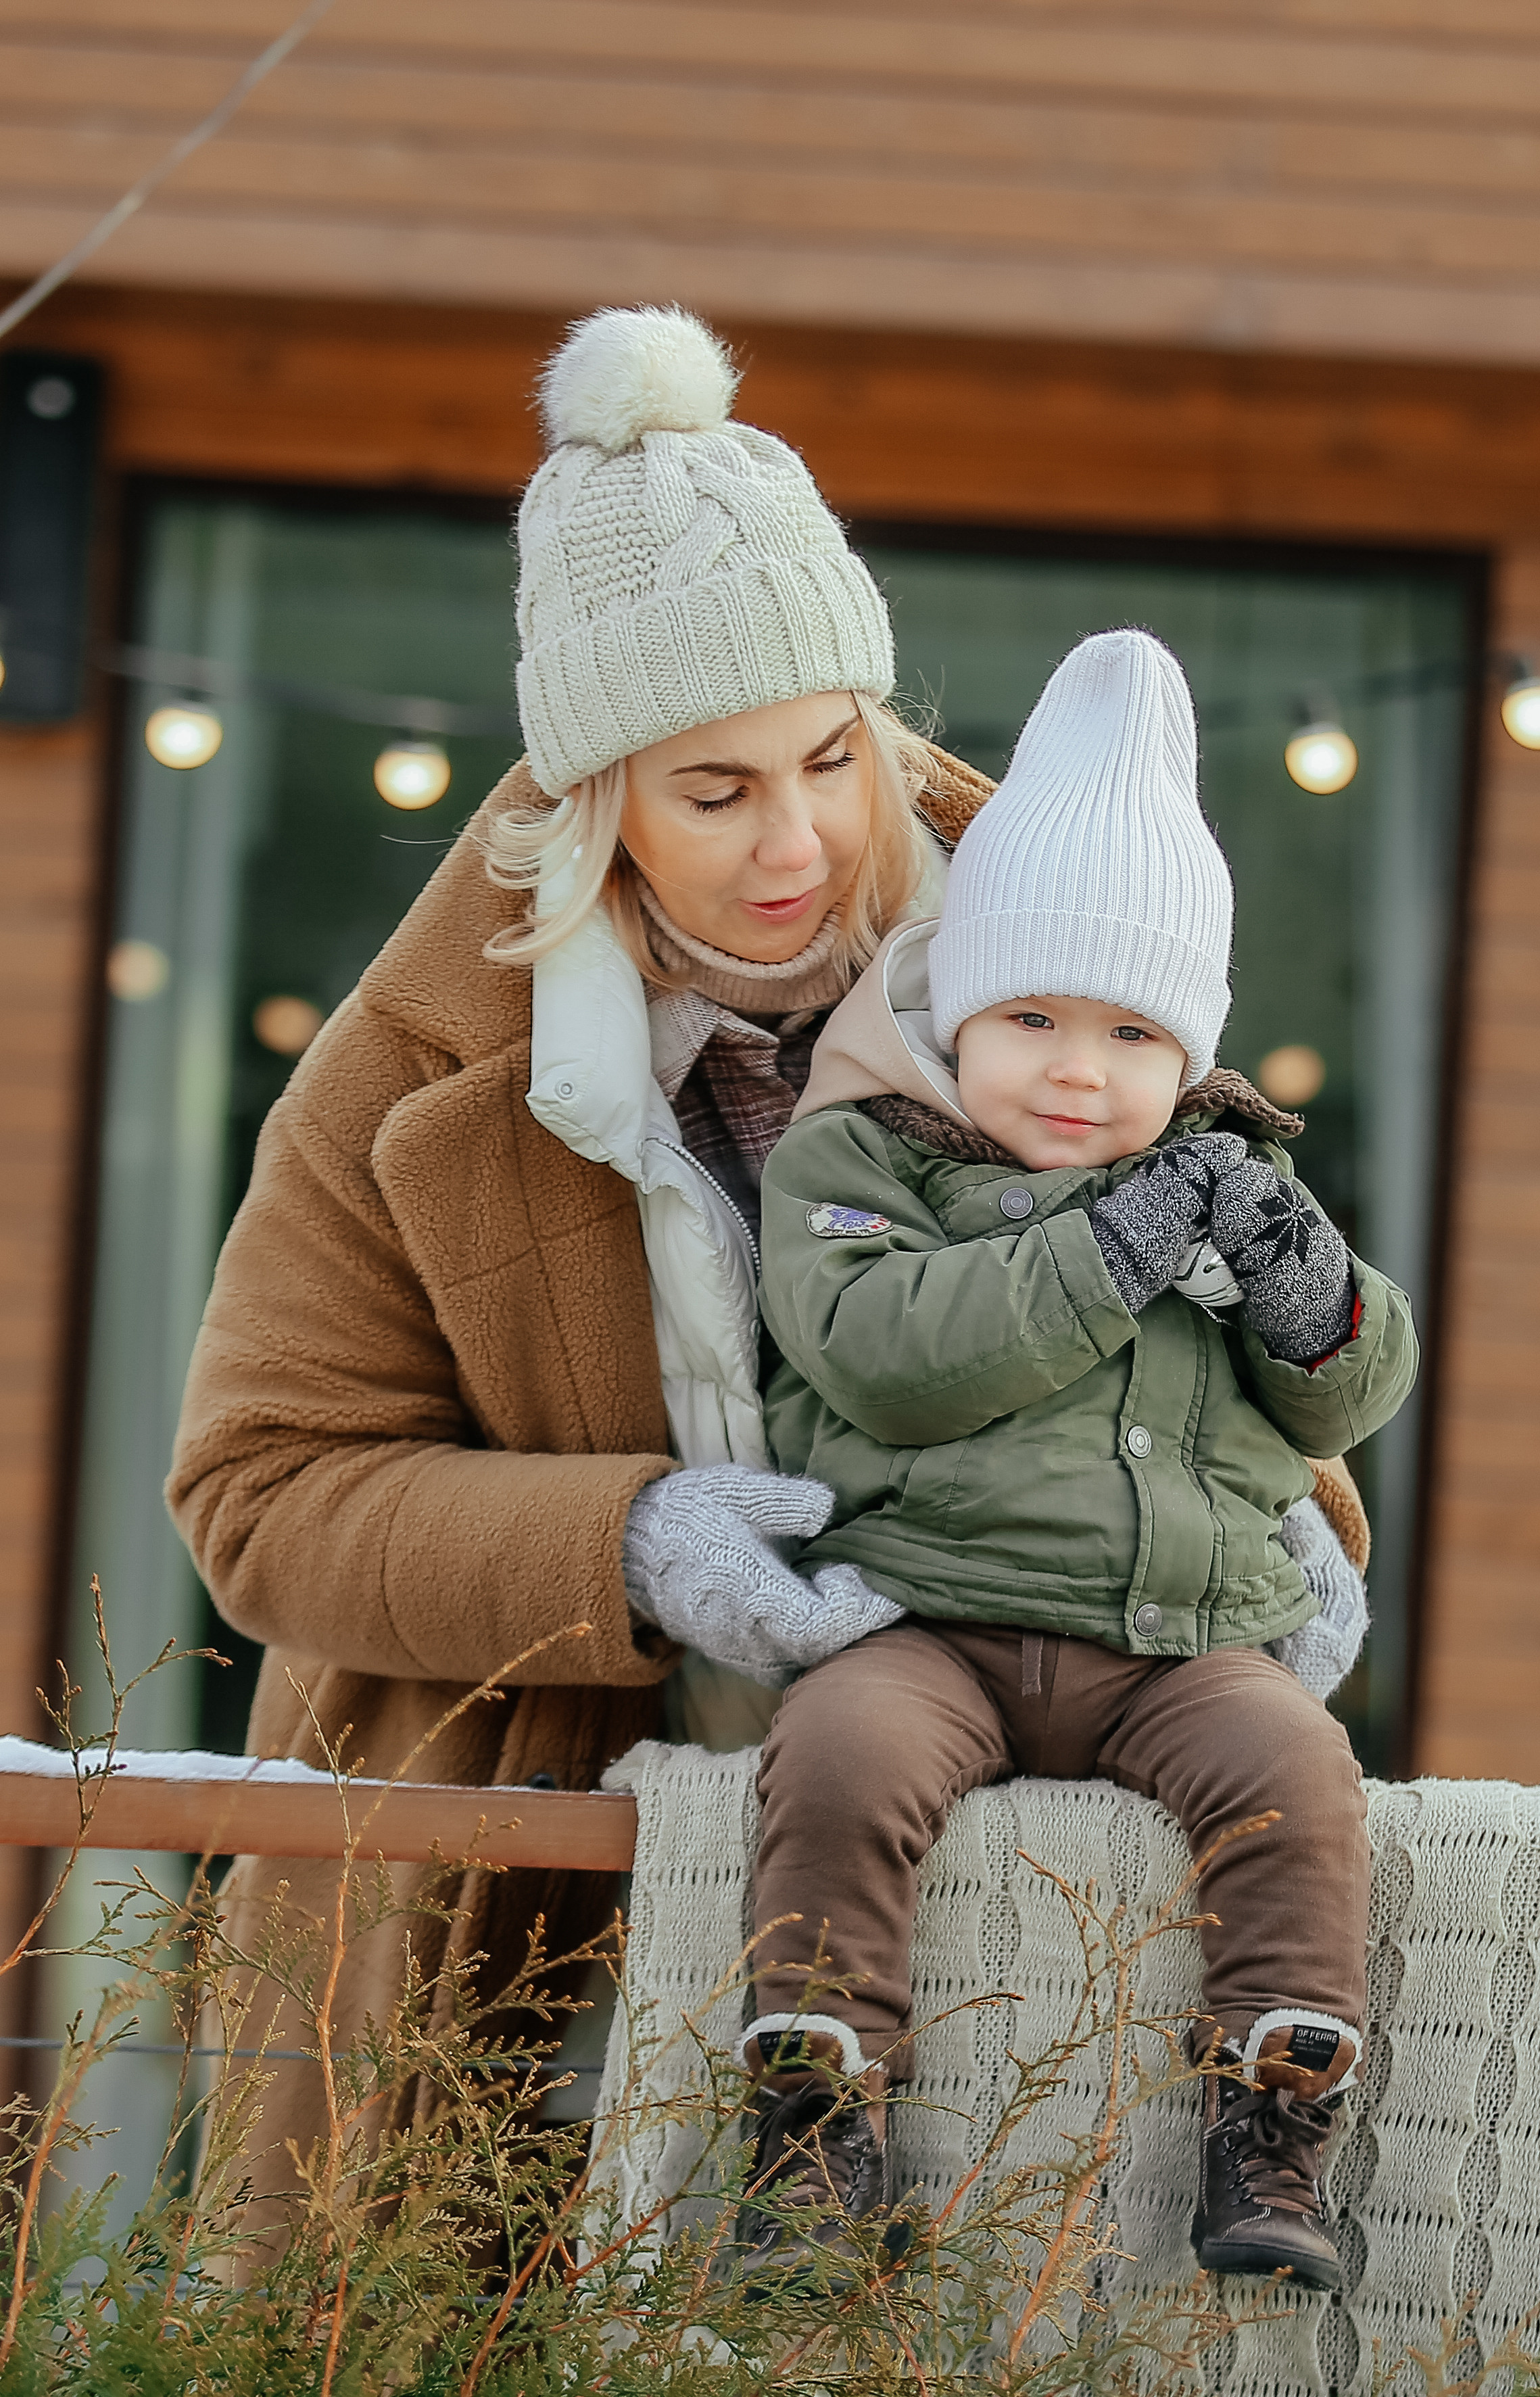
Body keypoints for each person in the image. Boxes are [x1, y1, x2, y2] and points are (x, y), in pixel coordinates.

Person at [166, 304, 990, 2241]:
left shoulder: (1067, 970)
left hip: (961, 1898)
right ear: (589, 794)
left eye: (829, 760)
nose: (798, 840)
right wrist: (632, 1544)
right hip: (504, 1926)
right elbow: (258, 1488)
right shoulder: (410, 1068)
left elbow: (1271, 1411)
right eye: (713, 792)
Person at [729, 630, 1418, 2292]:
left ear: (1187, 1054)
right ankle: (817, 2119)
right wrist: (1112, 1251)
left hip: (1177, 1639)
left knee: (1300, 1779)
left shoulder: (1227, 1176)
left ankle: (1274, 2123)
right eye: (1028, 1015)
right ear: (959, 1013)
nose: (1075, 1069)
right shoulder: (857, 1156)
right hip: (929, 1619)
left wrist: (1308, 1293)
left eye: (1127, 1033)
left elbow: (1341, 1401)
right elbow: (890, 1363)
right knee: (831, 1765)